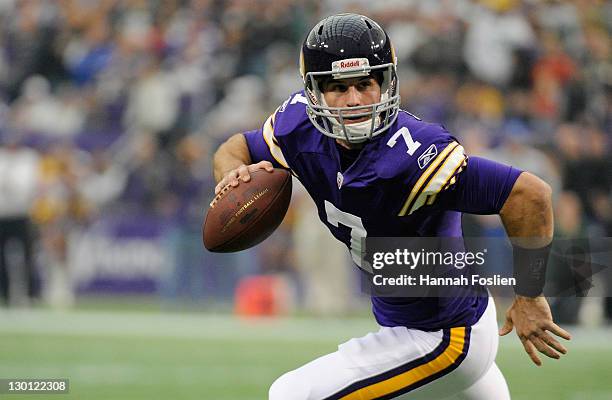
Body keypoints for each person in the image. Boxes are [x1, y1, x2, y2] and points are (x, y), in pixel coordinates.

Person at [212, 14, 570, 400]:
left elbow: (529, 194)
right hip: (417, 325)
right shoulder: (297, 127)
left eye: (365, 84)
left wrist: (530, 293)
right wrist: (233, 174)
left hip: (443, 335)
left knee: (293, 394)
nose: (353, 100)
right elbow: (236, 147)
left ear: (385, 83)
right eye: (336, 87)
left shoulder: (415, 154)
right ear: (313, 93)